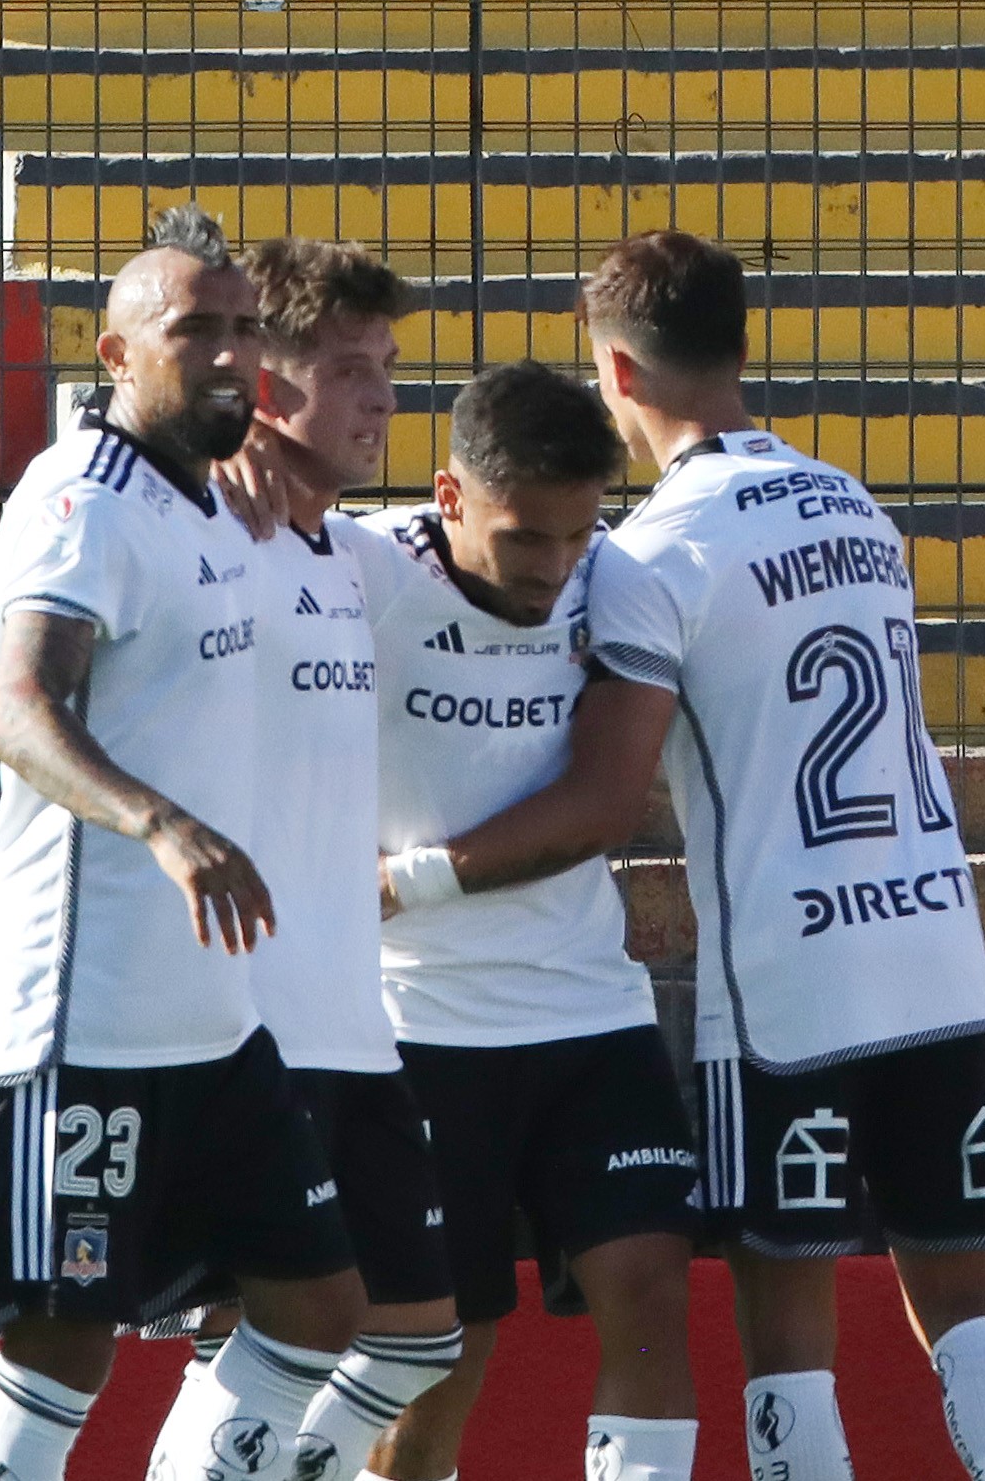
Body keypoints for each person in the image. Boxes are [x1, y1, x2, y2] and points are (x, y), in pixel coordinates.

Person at [388, 230, 985, 1481]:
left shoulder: (649, 554)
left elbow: (602, 798)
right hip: (932, 946)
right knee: (963, 1303)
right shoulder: (854, 500)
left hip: (788, 982)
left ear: (616, 376)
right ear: (740, 348)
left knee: (785, 1339)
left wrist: (406, 875)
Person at [0, 203, 365, 1481]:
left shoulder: (208, 503)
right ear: (116, 356)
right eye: (192, 331)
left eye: (240, 328)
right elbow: (18, 709)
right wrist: (160, 823)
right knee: (67, 1342)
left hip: (208, 1021)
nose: (229, 353)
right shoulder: (80, 497)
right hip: (82, 1013)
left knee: (320, 1301)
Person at [143, 235, 466, 1481]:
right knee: (269, 1321)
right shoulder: (203, 522)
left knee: (417, 1334)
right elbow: (45, 638)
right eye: (346, 368)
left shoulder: (358, 554)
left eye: (385, 365)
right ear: (265, 382)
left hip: (353, 1019)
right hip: (248, 1020)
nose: (380, 394)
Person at [356, 362, 706, 1481]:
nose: (557, 570)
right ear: (449, 497)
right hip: (412, 1024)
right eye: (525, 541)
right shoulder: (358, 574)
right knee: (434, 1352)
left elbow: (602, 804)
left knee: (652, 1287)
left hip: (586, 1015)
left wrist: (402, 879)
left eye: (576, 534)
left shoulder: (622, 577)